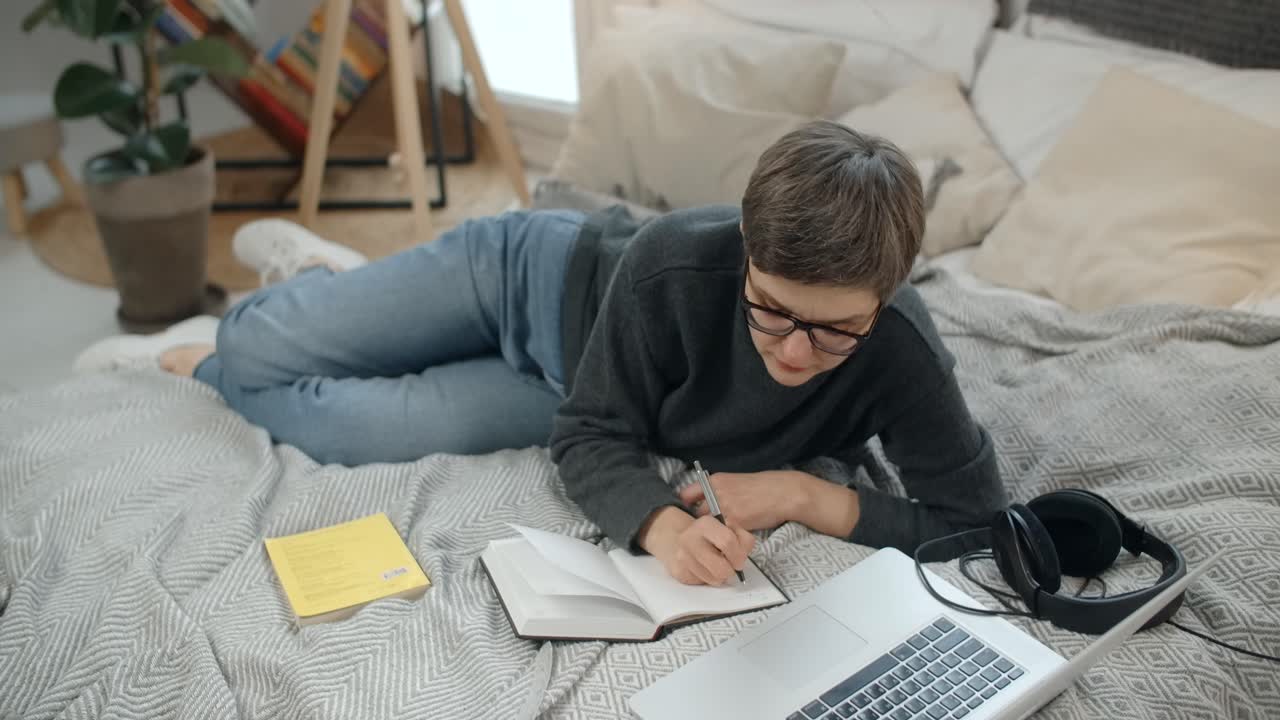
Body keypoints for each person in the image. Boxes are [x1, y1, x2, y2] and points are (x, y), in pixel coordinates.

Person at [75, 121, 1007, 587]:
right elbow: (604, 435)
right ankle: (305, 286)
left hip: (572, 385)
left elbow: (978, 523)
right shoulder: (674, 261)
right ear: (745, 256)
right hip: (528, 279)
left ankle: (220, 361)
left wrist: (807, 495)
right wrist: (666, 524)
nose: (797, 352)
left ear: (883, 300)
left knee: (337, 423)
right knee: (257, 340)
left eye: (834, 329)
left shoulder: (902, 347)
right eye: (769, 310)